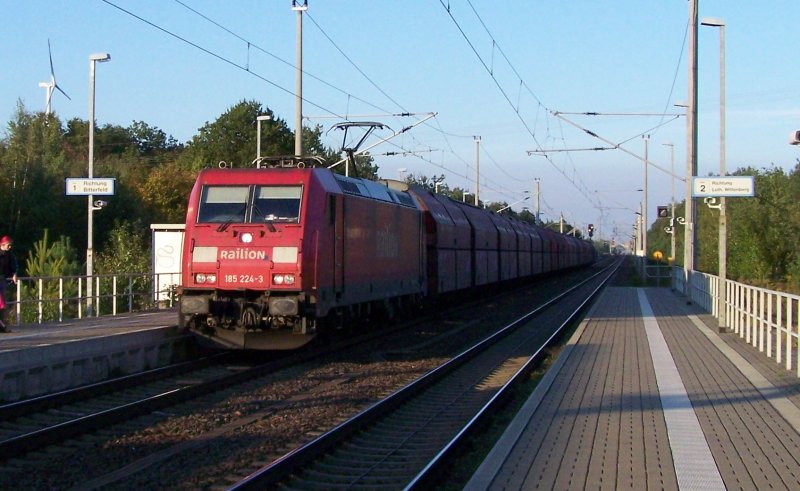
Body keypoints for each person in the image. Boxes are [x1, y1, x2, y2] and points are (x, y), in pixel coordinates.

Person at [0, 236, 18, 333]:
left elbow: (14, 264)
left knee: (3, 305)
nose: (10, 247)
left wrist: (14, 274)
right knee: (1, 304)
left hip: (2, 280)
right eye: (8, 245)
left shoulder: (9, 255)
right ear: (2, 245)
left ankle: (2, 326)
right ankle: (2, 326)